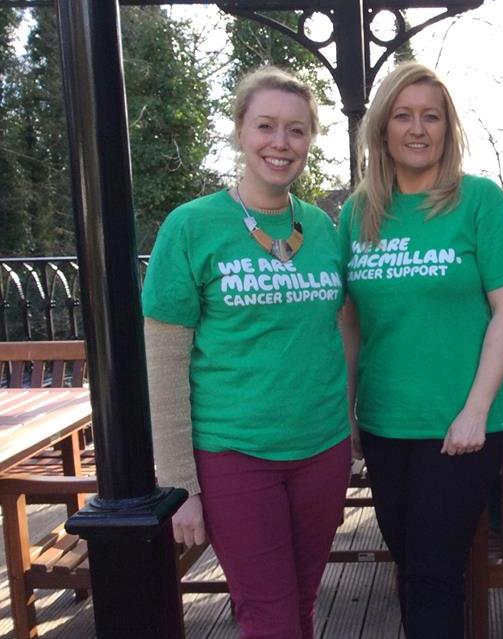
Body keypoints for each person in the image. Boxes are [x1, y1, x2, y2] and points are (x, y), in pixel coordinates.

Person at [142, 66, 350, 639]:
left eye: (296, 130)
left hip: (322, 449)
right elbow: (161, 366)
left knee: (302, 601)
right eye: (265, 127)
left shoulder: (323, 229)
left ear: (310, 139)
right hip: (236, 455)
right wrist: (180, 485)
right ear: (239, 131)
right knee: (270, 614)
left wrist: (349, 432)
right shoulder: (192, 226)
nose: (280, 144)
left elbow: (334, 334)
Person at [338, 61, 503, 639]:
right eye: (403, 116)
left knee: (433, 572)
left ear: (448, 128)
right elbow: (351, 325)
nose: (417, 129)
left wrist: (475, 409)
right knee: (410, 566)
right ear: (381, 128)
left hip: (462, 425)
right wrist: (348, 412)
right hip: (385, 420)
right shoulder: (358, 212)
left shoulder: (478, 202)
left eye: (431, 116)